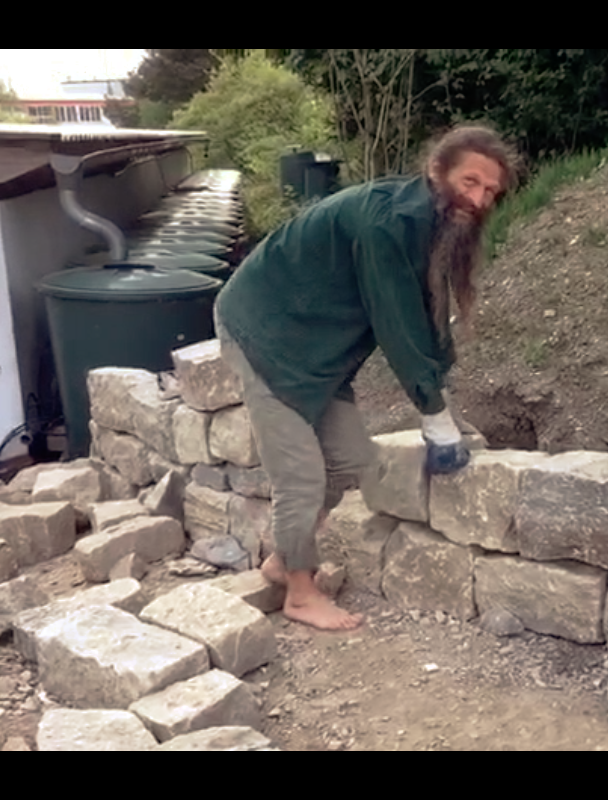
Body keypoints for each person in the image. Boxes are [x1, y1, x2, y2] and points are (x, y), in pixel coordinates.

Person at [214, 126, 520, 632]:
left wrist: (441, 397)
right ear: (436, 170)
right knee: (301, 475)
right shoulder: (385, 224)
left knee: (351, 459)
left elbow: (426, 313)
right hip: (265, 331)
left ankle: (283, 560)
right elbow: (396, 323)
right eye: (470, 182)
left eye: (490, 191)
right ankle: (300, 593)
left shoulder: (429, 225)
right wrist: (431, 412)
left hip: (318, 346)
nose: (479, 199)